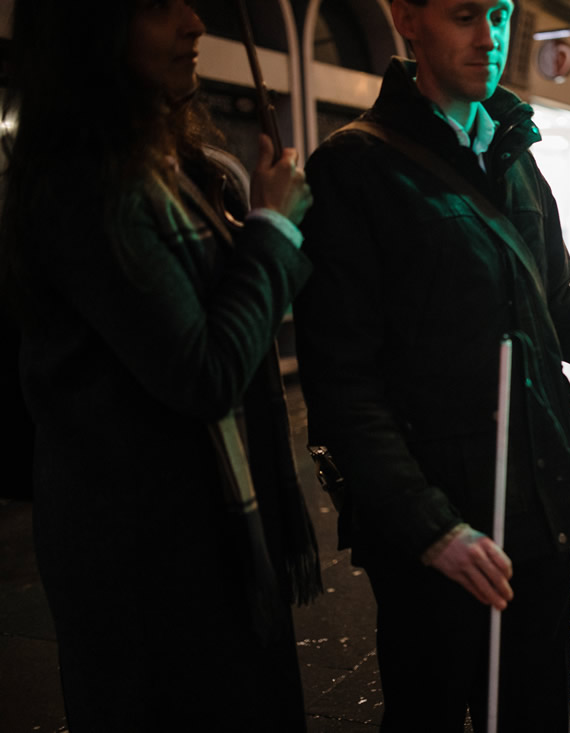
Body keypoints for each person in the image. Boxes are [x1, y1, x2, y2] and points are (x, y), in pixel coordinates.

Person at [292, 0, 570, 729]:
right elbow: (344, 384)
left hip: (538, 504)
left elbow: (560, 309)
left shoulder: (514, 155)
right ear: (406, 18)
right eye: (465, 15)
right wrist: (431, 528)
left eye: (502, 14)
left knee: (536, 710)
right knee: (429, 712)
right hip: (439, 531)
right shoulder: (356, 169)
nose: (491, 37)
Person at [0, 1, 321, 729]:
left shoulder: (177, 172)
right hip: (147, 565)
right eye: (155, 6)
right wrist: (272, 230)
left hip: (206, 542)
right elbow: (202, 371)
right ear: (92, 33)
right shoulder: (89, 186)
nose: (194, 23)